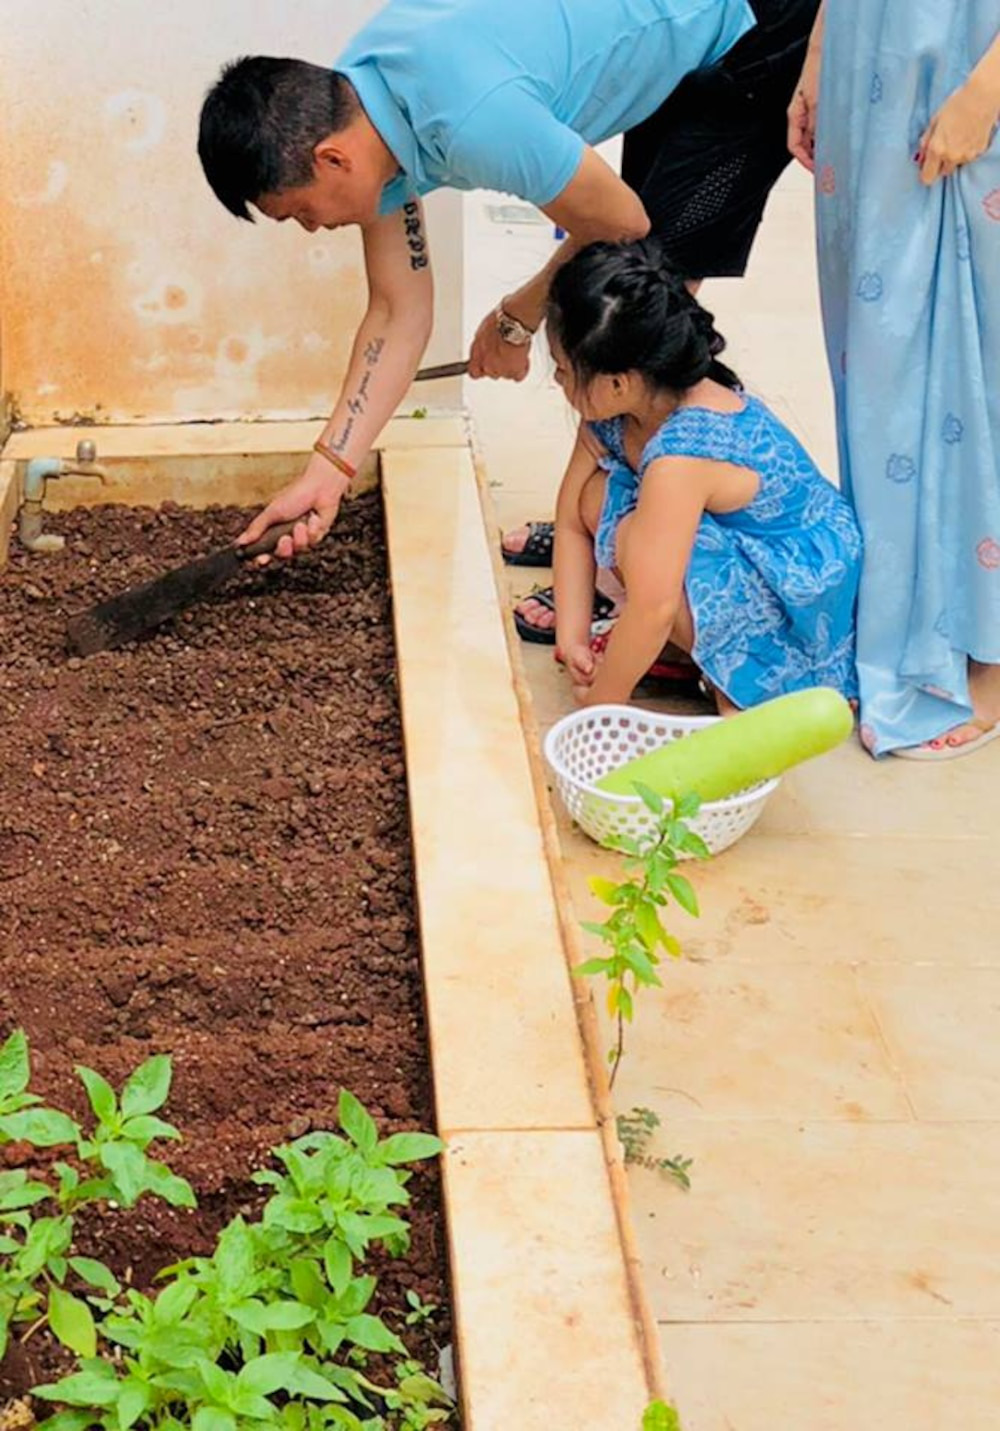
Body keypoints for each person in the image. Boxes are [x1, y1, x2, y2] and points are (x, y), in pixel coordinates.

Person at [196, 0, 820, 567]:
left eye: (301, 212)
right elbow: (396, 309)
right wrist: (329, 469)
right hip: (672, 27)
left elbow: (620, 223)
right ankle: (607, 534)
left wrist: (517, 317)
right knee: (621, 302)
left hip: (752, 25)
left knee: (642, 306)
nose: (313, 228)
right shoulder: (358, 98)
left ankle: (652, 570)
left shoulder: (471, 117)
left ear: (332, 159)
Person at [790, 2, 1000, 758]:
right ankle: (896, 619)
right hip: (867, 55)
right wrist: (817, 54)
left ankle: (986, 650)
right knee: (878, 355)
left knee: (972, 352)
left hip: (967, 56)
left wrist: (987, 89)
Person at [542, 239, 861, 712]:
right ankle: (696, 652)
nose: (557, 381)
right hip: (745, 551)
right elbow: (569, 518)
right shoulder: (619, 405)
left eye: (564, 370)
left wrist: (602, 706)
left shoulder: (684, 453)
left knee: (636, 537)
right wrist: (573, 637)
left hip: (800, 593)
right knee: (596, 498)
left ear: (618, 381)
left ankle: (752, 685)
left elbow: (653, 608)